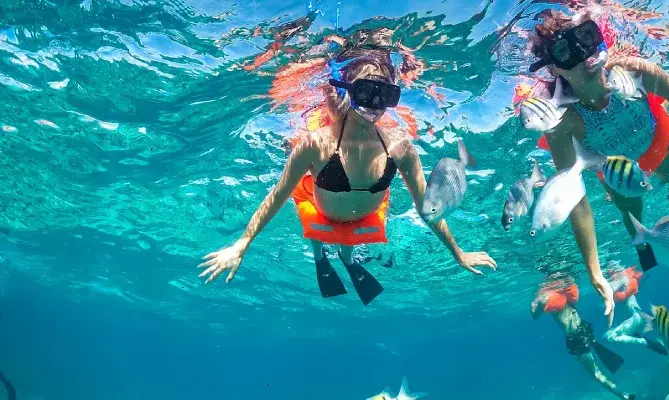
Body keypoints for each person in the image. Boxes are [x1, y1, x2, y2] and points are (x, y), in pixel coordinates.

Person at [198, 38, 496, 305]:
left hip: (365, 217)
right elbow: (276, 196)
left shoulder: (400, 148)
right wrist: (241, 244)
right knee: (317, 227)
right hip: (320, 208)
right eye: (366, 93)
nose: (375, 106)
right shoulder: (317, 144)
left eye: (385, 96)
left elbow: (427, 208)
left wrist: (459, 253)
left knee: (349, 246)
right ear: (349, 93)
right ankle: (320, 255)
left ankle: (347, 256)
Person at [525, 9, 669, 321]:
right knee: (630, 210)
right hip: (616, 167)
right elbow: (573, 199)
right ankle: (643, 245)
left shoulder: (633, 71)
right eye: (566, 53)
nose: (585, 57)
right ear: (554, 68)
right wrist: (594, 271)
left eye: (587, 39)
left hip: (653, 137)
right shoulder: (563, 122)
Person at [530, 278, 636, 400]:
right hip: (584, 328)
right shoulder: (562, 288)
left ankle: (623, 396)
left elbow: (534, 315)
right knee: (595, 361)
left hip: (576, 339)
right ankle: (621, 389)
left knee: (595, 374)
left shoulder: (544, 296)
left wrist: (534, 302)